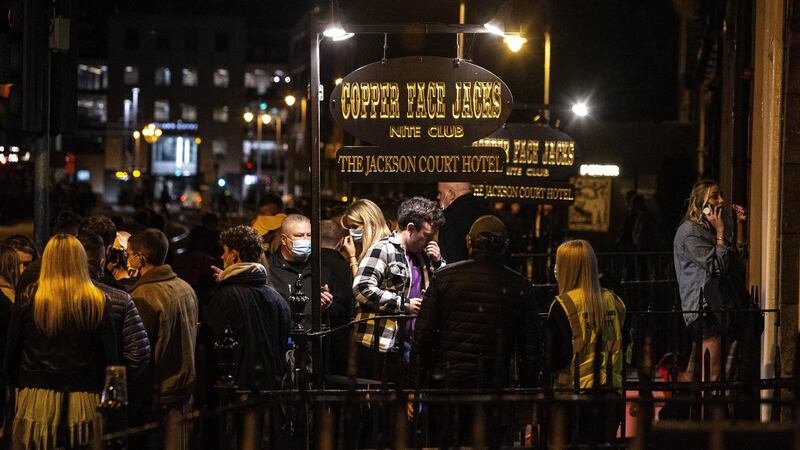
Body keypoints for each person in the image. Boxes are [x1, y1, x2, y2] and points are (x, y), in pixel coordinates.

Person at [411, 216, 532, 447]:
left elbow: (423, 336)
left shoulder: (444, 278)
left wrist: (415, 385)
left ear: (469, 242)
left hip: (448, 383)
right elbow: (530, 349)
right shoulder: (520, 286)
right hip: (493, 385)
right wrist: (525, 400)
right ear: (504, 246)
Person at [4, 234, 118, 448]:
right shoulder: (98, 301)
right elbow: (111, 360)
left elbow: (11, 353)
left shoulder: (31, 297)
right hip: (85, 398)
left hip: (36, 397)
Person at [352, 197, 445, 382]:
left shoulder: (425, 255)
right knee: (383, 400)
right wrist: (405, 305)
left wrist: (438, 262)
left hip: (415, 339)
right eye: (426, 235)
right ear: (410, 228)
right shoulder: (384, 249)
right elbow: (362, 288)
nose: (430, 240)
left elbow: (445, 287)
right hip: (384, 341)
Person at [547, 239, 626, 443]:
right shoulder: (614, 301)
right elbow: (626, 345)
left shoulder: (563, 305)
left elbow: (555, 357)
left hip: (574, 397)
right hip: (611, 393)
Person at [127, 228, 199, 449]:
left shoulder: (144, 295)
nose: (127, 258)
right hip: (185, 390)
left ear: (140, 257)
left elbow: (141, 350)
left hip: (160, 394)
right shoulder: (185, 288)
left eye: (129, 253)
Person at [673, 180, 747, 382]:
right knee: (711, 377)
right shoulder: (690, 232)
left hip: (721, 304)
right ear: (702, 204)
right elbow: (717, 267)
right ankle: (708, 413)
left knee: (718, 374)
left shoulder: (716, 226)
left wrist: (739, 226)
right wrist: (721, 233)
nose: (721, 200)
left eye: (721, 195)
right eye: (715, 196)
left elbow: (737, 265)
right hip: (703, 308)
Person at [205, 225, 290, 390]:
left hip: (235, 389)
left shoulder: (224, 297)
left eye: (225, 251)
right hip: (270, 387)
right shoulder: (276, 298)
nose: (222, 256)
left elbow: (211, 348)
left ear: (234, 255)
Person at [77, 231, 151, 381]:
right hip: (98, 389)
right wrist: (114, 381)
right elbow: (138, 352)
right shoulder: (120, 297)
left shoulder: (42, 296)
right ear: (101, 262)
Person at [266, 214, 336, 325]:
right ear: (283, 240)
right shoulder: (269, 269)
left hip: (311, 338)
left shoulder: (320, 269)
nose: (305, 240)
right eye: (299, 235)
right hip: (281, 337)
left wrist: (323, 307)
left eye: (309, 235)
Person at [436, 182, 489, 263]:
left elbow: (449, 262)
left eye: (440, 193)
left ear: (451, 194)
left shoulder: (450, 221)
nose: (438, 197)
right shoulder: (488, 214)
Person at [338, 199, 392, 277]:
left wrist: (352, 257)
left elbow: (361, 285)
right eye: (349, 227)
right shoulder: (365, 247)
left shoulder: (380, 248)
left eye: (355, 226)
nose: (351, 231)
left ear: (371, 224)